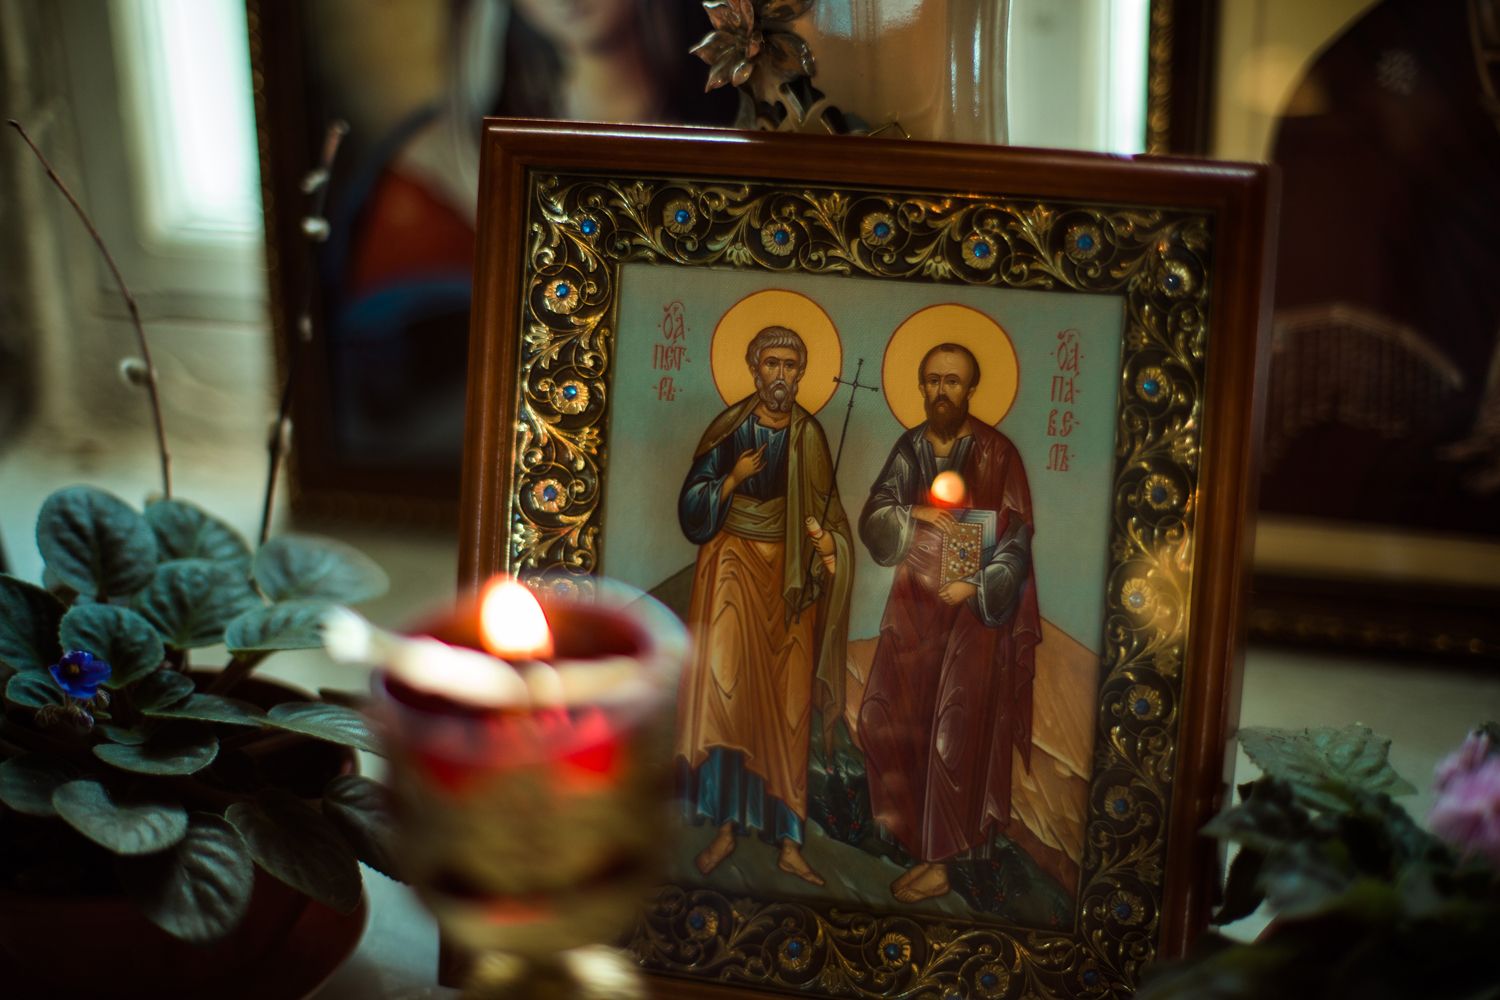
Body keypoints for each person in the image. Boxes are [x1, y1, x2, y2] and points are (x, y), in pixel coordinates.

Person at [857, 342, 1041, 904]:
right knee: (892, 718)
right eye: (933, 380)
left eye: (953, 381)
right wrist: (914, 511)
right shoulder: (910, 447)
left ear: (971, 389)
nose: (942, 391)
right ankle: (921, 850)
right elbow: (876, 516)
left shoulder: (997, 452)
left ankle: (945, 865)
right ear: (921, 386)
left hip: (970, 620)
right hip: (914, 608)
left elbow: (1015, 541)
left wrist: (976, 586)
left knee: (952, 737)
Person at [675, 325, 854, 887]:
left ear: (800, 374)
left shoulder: (810, 435)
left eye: (789, 365)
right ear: (754, 370)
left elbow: (830, 515)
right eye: (771, 363)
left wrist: (827, 545)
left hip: (790, 579)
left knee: (789, 705)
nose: (780, 375)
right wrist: (732, 478)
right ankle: (727, 827)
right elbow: (693, 505)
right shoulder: (730, 428)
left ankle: (790, 842)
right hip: (730, 566)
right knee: (728, 694)